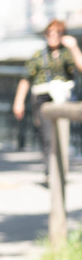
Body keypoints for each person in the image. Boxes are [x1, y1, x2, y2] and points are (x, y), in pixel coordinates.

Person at [13, 20, 82, 179]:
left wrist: (74, 47)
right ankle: (51, 171)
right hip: (42, 97)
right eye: (49, 33)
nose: (53, 37)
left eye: (57, 33)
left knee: (63, 134)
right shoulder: (39, 55)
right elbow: (26, 78)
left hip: (62, 98)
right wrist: (19, 101)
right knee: (48, 135)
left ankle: (61, 169)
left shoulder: (67, 53)